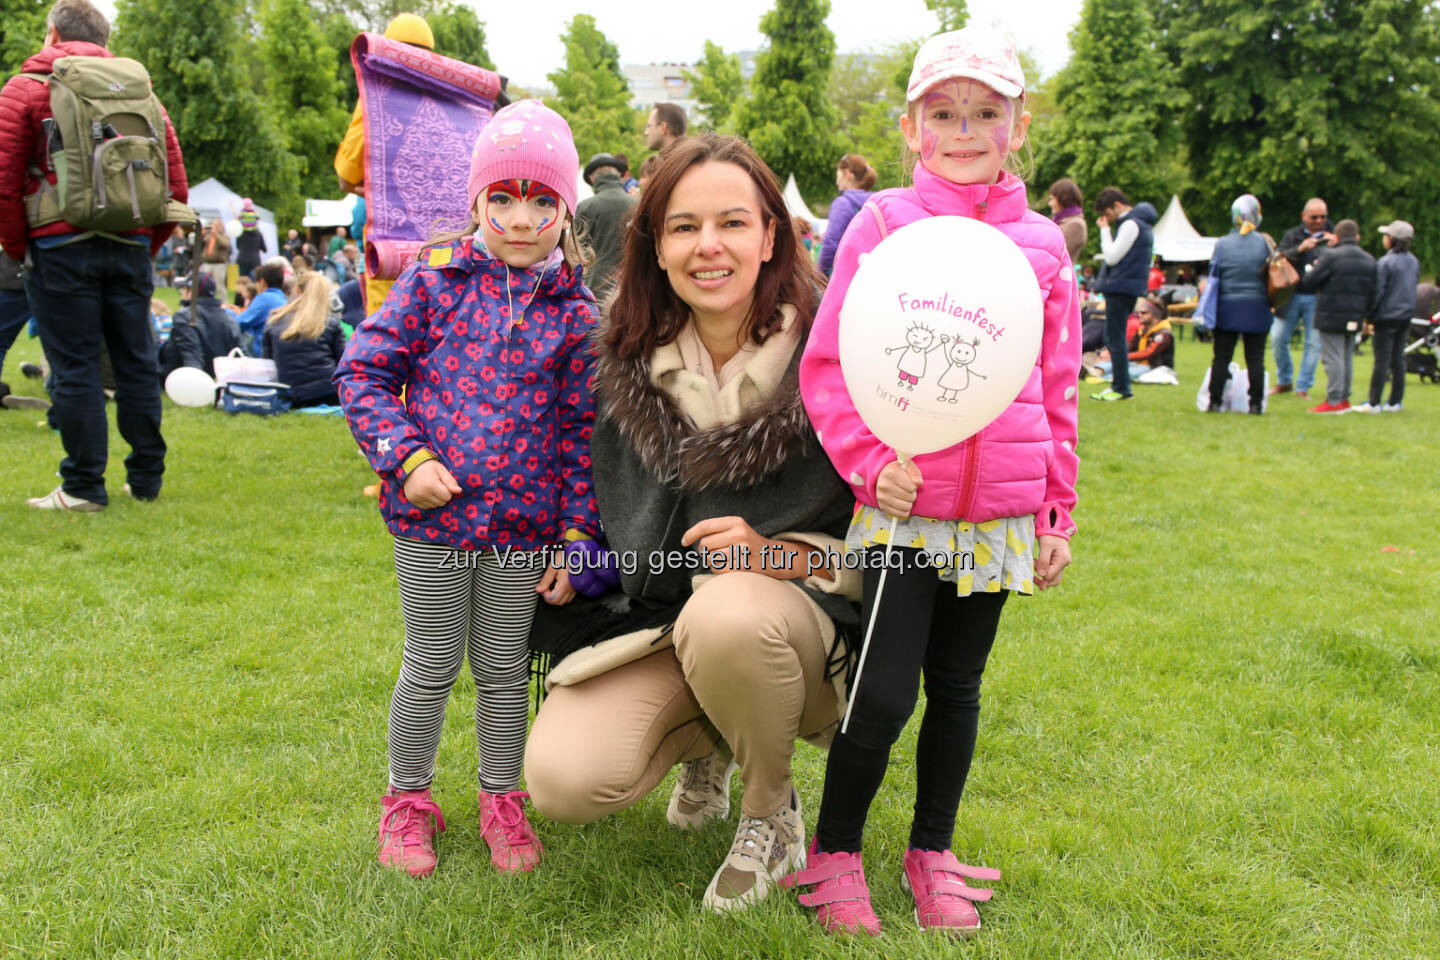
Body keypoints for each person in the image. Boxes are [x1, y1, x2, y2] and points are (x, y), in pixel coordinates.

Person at [523, 134, 859, 915]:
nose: (708, 246)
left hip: (801, 631)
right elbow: (581, 487)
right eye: (683, 226)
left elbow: (897, 556)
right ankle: (708, 743)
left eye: (733, 223)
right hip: (661, 622)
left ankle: (770, 812)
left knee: (730, 614)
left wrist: (773, 556)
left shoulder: (842, 355)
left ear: (771, 234)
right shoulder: (620, 357)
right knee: (565, 780)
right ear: (656, 245)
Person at [791, 27, 1080, 936]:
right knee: (883, 692)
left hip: (997, 515)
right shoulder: (879, 224)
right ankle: (835, 853)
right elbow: (829, 364)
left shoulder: (1043, 248)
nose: (965, 129)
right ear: (913, 127)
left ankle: (931, 850)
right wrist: (873, 469)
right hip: (903, 512)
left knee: (958, 689)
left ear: (1018, 126)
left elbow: (1058, 385)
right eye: (945, 113)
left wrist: (1053, 508)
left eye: (985, 112)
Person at [334, 100, 598, 879]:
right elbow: (364, 372)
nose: (522, 218)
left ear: (564, 208)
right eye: (504, 198)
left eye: (542, 200)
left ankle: (501, 800)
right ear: (478, 200)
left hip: (523, 534)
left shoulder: (578, 315)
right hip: (435, 527)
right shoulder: (434, 282)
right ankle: (407, 803)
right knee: (430, 663)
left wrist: (577, 537)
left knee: (502, 670)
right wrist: (406, 459)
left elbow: (583, 437)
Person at [0, 0, 188, 509]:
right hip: (128, 242)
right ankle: (145, 481)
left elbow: (5, 176)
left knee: (76, 366)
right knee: (135, 362)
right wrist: (144, 244)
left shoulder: (27, 88)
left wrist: (20, 247)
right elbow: (176, 183)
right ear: (105, 40)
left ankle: (83, 486)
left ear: (53, 34)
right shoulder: (140, 91)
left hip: (58, 243)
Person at [333, 12, 436, 311]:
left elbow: (345, 177)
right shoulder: (452, 97)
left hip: (392, 256)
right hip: (445, 252)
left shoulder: (377, 98)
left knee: (389, 344)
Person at [1206, 195, 1274, 415]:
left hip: (1227, 307)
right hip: (1257, 306)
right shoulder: (1265, 242)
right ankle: (1255, 404)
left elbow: (1214, 273)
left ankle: (1214, 401)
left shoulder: (1223, 243)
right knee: (1255, 358)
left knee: (1221, 357)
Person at [1299, 219, 1374, 413]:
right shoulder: (1369, 259)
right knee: (1346, 357)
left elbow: (1310, 281)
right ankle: (1344, 398)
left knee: (1333, 357)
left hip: (1331, 313)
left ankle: (1333, 400)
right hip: (1355, 315)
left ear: (1337, 236)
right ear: (1357, 237)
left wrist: (1314, 266)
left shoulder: (1331, 257)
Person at [1090, 186, 1156, 401]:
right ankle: (1120, 383)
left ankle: (1121, 386)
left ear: (1117, 205)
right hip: (1129, 288)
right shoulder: (1143, 225)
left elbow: (1111, 256)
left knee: (1115, 339)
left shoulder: (1130, 224)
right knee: (1115, 337)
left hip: (1120, 288)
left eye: (1108, 213)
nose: (1107, 219)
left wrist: (1104, 230)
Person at [1354, 220, 1419, 413]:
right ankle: (1395, 401)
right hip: (1405, 316)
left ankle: (1374, 402)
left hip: (1386, 316)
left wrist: (1369, 315)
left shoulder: (1385, 262)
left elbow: (1379, 292)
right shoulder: (1414, 261)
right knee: (1398, 359)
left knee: (1382, 360)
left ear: (1392, 239)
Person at [1271, 198, 1333, 398]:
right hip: (1291, 296)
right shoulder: (1293, 235)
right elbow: (1278, 258)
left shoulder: (1332, 235)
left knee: (1314, 344)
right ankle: (1284, 380)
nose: (1319, 220)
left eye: (1323, 216)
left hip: (1318, 297)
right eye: (1314, 216)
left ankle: (1303, 387)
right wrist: (1300, 249)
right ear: (1304, 216)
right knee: (1278, 338)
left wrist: (1336, 246)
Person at [262, 270, 346, 407]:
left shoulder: (275, 321)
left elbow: (267, 361)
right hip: (328, 393)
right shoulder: (331, 322)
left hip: (288, 394)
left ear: (297, 290)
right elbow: (343, 362)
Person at [158, 272, 242, 381]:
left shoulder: (184, 316)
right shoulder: (228, 317)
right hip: (221, 377)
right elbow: (242, 354)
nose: (182, 293)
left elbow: (192, 355)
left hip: (181, 378)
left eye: (184, 288)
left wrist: (196, 383)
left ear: (190, 291)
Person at [575, 153, 637, 297]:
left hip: (595, 289)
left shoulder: (586, 206)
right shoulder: (638, 205)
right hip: (633, 285)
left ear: (591, 178)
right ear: (620, 176)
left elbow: (576, 251)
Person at [819, 154, 877, 276]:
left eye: (838, 175)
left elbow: (830, 244)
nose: (837, 181)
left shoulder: (843, 204)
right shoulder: (876, 201)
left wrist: (820, 274)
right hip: (869, 273)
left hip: (845, 277)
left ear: (849, 174)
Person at [1094, 294, 1172, 382]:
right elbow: (1129, 345)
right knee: (1112, 364)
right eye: (1138, 312)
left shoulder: (1163, 334)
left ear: (1155, 314)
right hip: (1137, 363)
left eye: (1144, 313)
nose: (1139, 315)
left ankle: (1102, 376)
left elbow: (1148, 353)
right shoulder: (1142, 329)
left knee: (1124, 372)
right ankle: (1096, 372)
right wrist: (1111, 353)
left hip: (1154, 367)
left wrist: (1121, 356)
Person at [233, 260, 288, 355]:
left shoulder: (265, 299)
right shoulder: (284, 299)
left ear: (262, 282)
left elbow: (240, 323)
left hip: (262, 352)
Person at [1046, 177, 1086, 265]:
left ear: (1064, 199)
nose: (1050, 203)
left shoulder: (1076, 224)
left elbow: (1053, 251)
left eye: (1052, 199)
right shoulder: (1063, 221)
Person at [234, 199, 266, 279]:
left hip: (242, 259)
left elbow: (237, 246)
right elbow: (264, 249)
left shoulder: (240, 233)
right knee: (254, 281)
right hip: (254, 261)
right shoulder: (258, 234)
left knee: (242, 281)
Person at [199, 218, 231, 299]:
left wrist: (216, 234)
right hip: (208, 263)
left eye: (215, 225)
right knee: (204, 282)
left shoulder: (224, 236)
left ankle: (223, 302)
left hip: (219, 264)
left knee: (220, 285)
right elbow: (202, 242)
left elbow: (225, 245)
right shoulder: (209, 236)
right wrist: (203, 233)